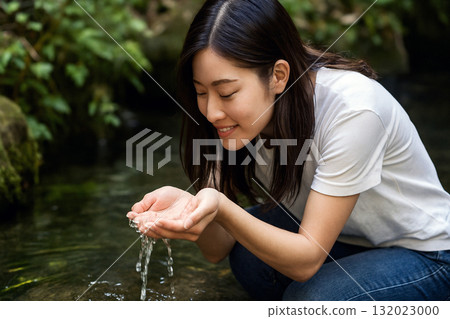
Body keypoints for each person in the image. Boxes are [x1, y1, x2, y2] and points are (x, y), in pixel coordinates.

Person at [127, 0, 450, 300]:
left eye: (227, 93)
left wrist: (222, 208)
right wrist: (191, 209)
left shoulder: (354, 111)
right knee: (249, 257)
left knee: (312, 301)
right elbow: (217, 249)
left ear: (279, 76)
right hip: (346, 241)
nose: (211, 112)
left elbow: (305, 262)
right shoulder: (232, 121)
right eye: (200, 92)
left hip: (427, 252)